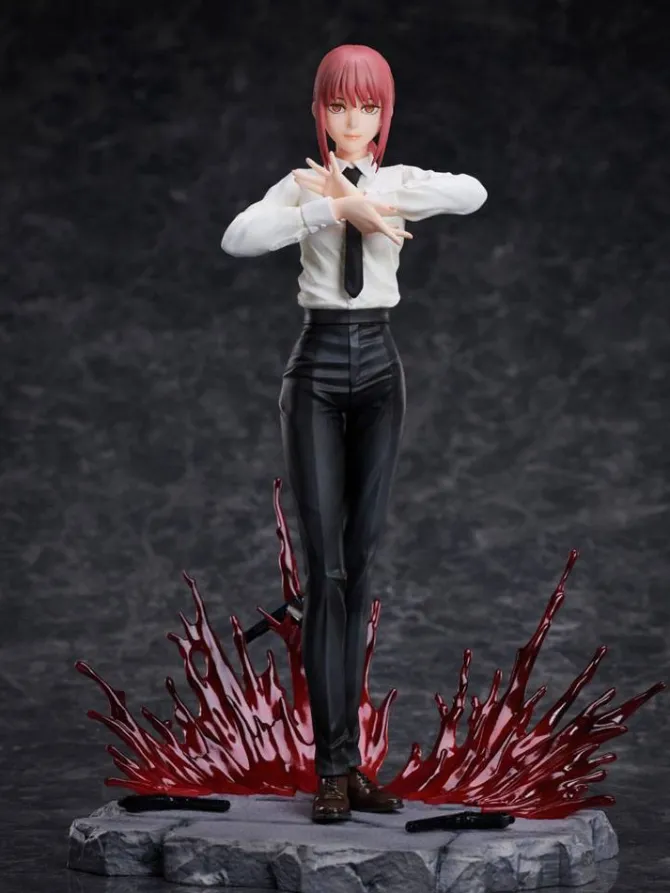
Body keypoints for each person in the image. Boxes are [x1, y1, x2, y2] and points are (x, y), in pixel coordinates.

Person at [221, 43, 487, 823]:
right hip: (315, 369)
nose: (352, 120)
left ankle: (354, 763)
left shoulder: (396, 180)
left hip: (379, 368)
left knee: (360, 569)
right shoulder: (303, 183)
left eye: (368, 107)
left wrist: (381, 198)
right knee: (327, 572)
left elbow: (472, 192)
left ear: (384, 114)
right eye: (339, 105)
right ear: (320, 111)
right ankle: (332, 769)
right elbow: (239, 237)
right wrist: (333, 208)